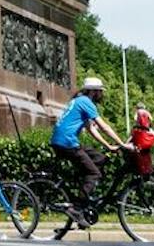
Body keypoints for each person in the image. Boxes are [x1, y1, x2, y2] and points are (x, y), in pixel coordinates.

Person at [50, 75, 126, 236]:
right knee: (94, 173)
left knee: (99, 158)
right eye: (100, 92)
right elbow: (103, 126)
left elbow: (91, 129)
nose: (102, 95)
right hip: (67, 143)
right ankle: (77, 208)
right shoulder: (86, 102)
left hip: (64, 141)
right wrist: (122, 143)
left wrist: (109, 146)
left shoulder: (79, 101)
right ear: (93, 92)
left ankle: (84, 194)